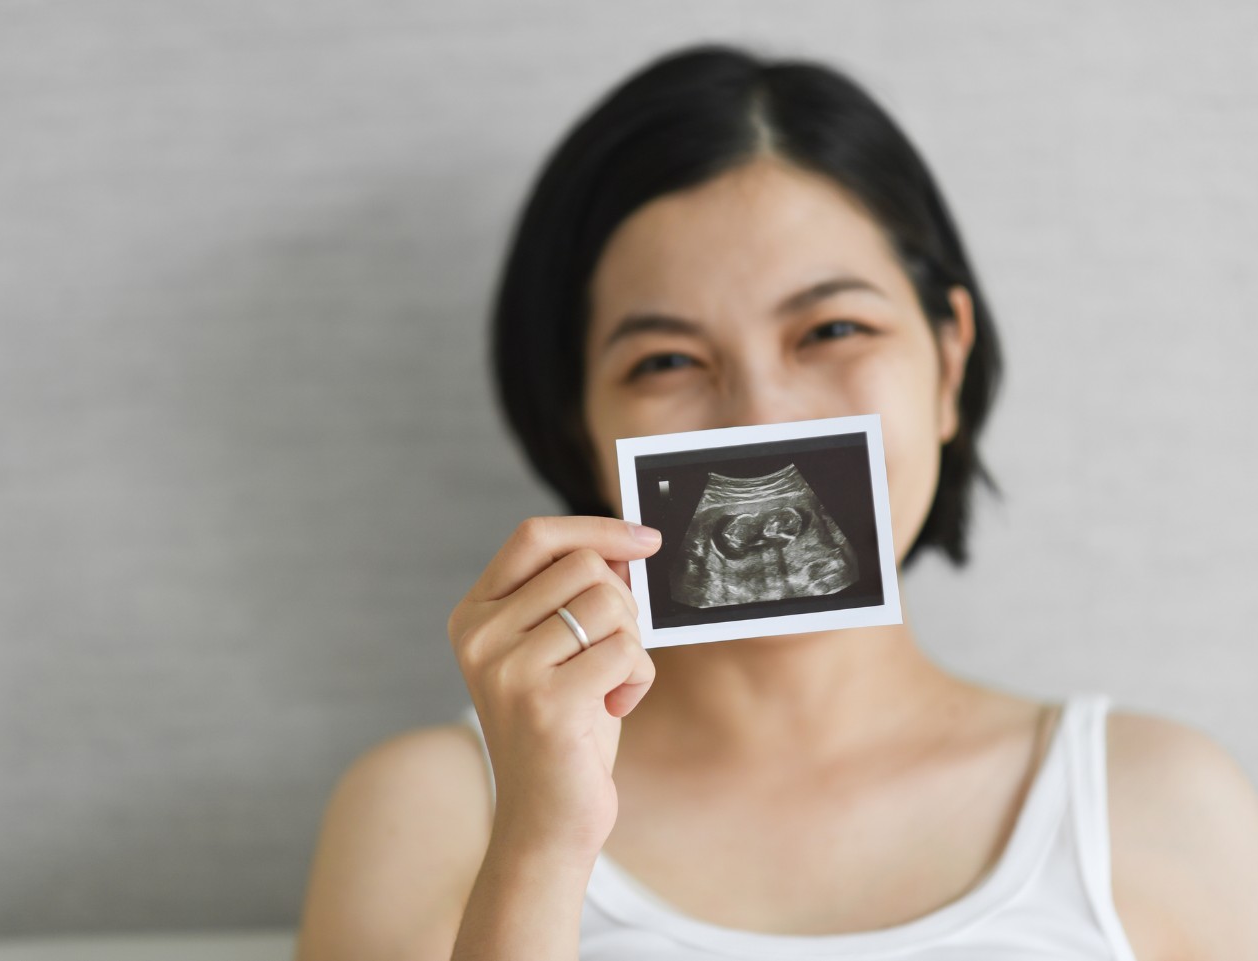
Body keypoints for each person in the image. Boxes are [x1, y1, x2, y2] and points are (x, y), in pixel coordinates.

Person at [297, 45, 1258, 960]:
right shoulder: (433, 808)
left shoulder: (1161, 799)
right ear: (577, 423)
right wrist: (543, 844)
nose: (758, 418)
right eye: (666, 360)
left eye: (832, 328)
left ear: (947, 362)